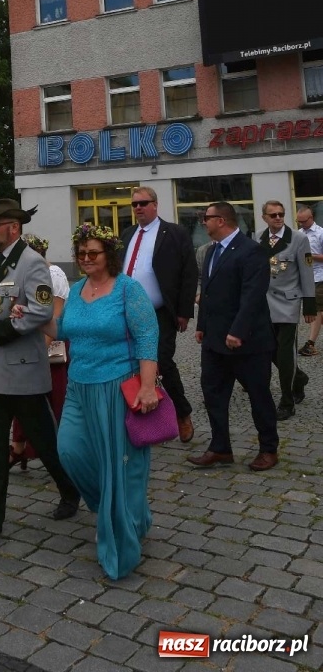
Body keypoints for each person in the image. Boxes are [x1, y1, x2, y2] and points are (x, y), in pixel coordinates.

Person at [0, 198, 79, 541]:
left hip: (22, 372)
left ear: (13, 227)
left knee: (46, 442)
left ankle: (71, 488)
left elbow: (40, 311)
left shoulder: (32, 263)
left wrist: (0, 330)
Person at [56, 223, 158, 580]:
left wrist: (147, 387)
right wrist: (32, 320)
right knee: (69, 449)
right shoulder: (75, 289)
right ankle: (116, 509)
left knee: (120, 464)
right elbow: (63, 331)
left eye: (93, 253)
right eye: (81, 254)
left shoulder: (128, 289)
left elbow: (148, 337)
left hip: (117, 386)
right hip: (78, 386)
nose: (85, 259)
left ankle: (120, 528)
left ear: (109, 255)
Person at [189, 202, 279, 472]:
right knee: (213, 394)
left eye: (207, 218)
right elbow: (208, 291)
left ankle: (268, 448)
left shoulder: (251, 251)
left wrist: (237, 331)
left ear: (222, 220)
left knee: (258, 395)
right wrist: (202, 324)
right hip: (215, 341)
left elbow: (252, 295)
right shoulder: (210, 251)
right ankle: (220, 448)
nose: (203, 222)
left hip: (248, 342)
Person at [120, 186, 198, 444]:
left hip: (160, 312)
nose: (139, 208)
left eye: (143, 203)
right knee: (129, 362)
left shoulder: (174, 233)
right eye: (135, 204)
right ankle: (139, 413)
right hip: (126, 312)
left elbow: (189, 273)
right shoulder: (128, 234)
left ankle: (182, 412)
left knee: (161, 361)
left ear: (155, 204)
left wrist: (185, 311)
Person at [9, 236, 70, 470]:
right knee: (22, 395)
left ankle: (56, 450)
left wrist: (40, 348)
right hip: (27, 344)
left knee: (52, 398)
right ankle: (19, 445)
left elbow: (55, 316)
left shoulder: (53, 274)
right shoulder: (22, 274)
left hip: (47, 344)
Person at [257, 200, 315, 420]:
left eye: (281, 214)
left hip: (289, 303)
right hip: (264, 304)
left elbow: (306, 272)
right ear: (265, 217)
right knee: (270, 351)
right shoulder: (258, 238)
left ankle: (287, 401)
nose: (278, 218)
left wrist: (309, 304)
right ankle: (299, 378)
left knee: (285, 353)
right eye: (273, 215)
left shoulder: (298, 239)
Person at [297, 206, 323, 356]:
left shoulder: (320, 233)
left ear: (311, 218)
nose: (301, 224)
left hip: (320, 277)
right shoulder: (298, 234)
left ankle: (310, 344)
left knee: (315, 310)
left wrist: (309, 255)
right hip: (305, 278)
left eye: (303, 221)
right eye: (298, 221)